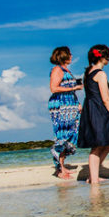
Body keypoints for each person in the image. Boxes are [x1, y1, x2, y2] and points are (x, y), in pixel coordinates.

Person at [77, 44, 109, 184]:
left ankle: (93, 175)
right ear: (103, 57)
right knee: (98, 145)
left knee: (108, 142)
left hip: (91, 110)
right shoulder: (100, 74)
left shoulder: (89, 72)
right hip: (99, 111)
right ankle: (94, 179)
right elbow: (105, 98)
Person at [48, 46, 82, 179]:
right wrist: (74, 87)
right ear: (64, 55)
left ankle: (62, 165)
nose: (72, 56)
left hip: (70, 104)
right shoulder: (57, 69)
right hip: (61, 105)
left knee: (72, 134)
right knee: (62, 135)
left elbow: (69, 89)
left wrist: (77, 103)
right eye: (70, 54)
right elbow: (53, 88)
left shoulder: (67, 70)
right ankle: (58, 168)